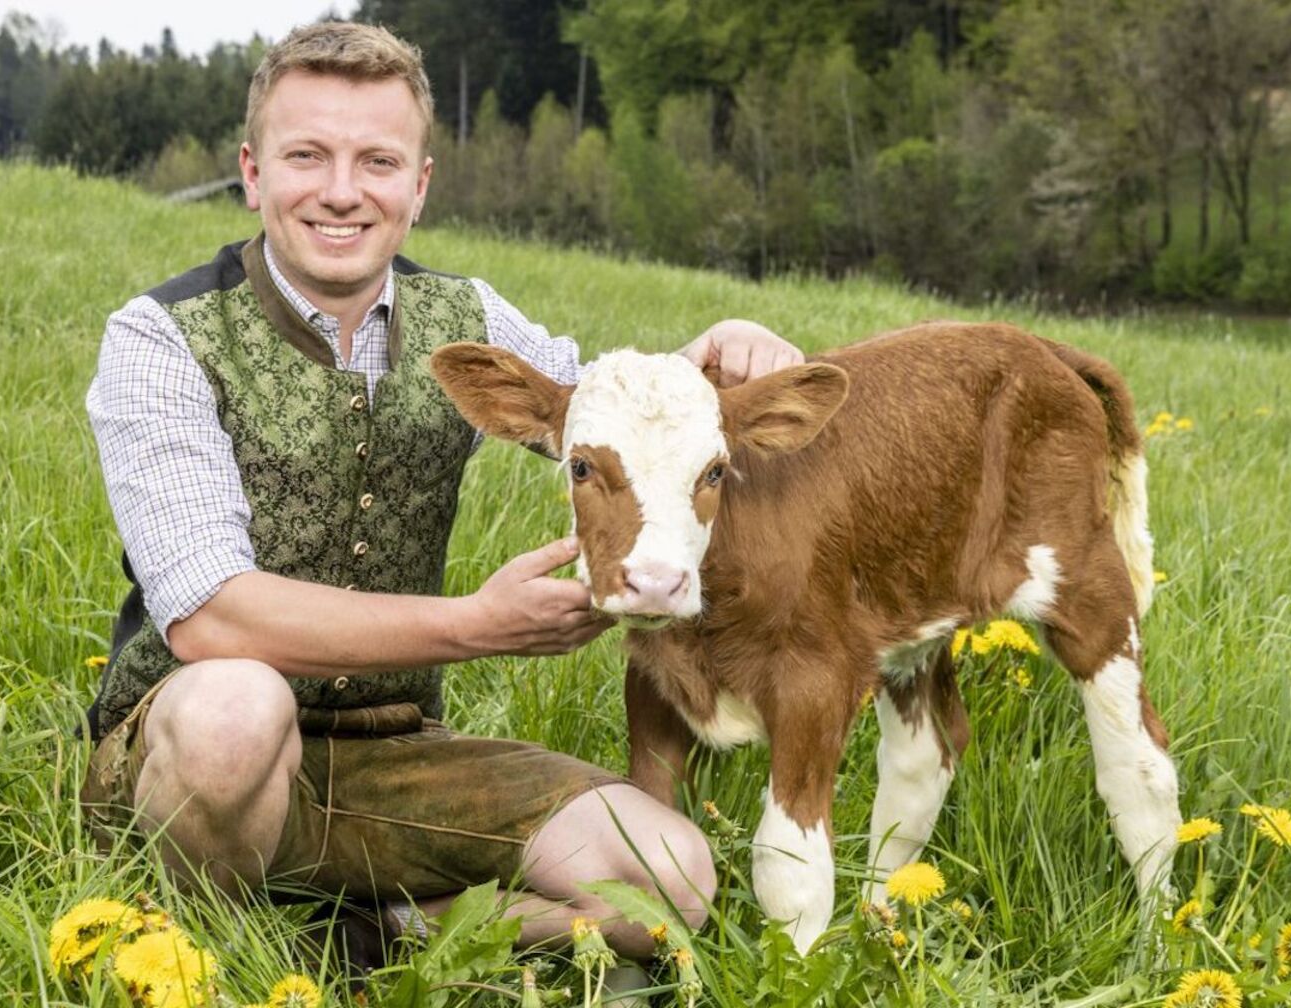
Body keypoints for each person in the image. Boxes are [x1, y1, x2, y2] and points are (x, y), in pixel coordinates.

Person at [77, 20, 803, 973]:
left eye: (378, 160)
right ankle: (205, 933)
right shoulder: (162, 337)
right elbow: (212, 618)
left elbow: (606, 412)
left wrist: (714, 351)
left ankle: (378, 934)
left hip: (391, 756)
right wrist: (476, 624)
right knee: (234, 710)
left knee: (672, 876)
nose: (342, 191)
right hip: (189, 752)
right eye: (308, 156)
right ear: (253, 173)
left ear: (417, 187)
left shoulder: (467, 318)